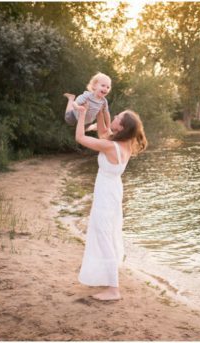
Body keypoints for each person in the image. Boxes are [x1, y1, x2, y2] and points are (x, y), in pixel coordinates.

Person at [72, 101, 147, 301]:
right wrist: (101, 110)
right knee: (107, 233)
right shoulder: (125, 144)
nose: (113, 118)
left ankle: (114, 290)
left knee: (103, 235)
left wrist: (82, 114)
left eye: (117, 118)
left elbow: (80, 137)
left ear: (121, 127)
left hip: (107, 194)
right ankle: (107, 279)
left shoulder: (110, 146)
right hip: (113, 191)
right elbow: (104, 130)